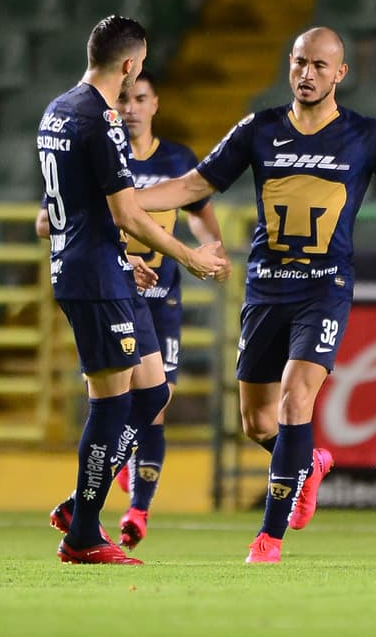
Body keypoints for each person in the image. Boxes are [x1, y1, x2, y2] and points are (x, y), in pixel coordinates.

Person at [136, 26, 376, 564]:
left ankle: (268, 538)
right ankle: (309, 463)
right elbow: (195, 185)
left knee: (298, 400)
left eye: (319, 65)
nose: (306, 74)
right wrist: (127, 199)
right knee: (257, 422)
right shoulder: (259, 129)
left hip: (325, 289)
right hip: (265, 290)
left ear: (340, 73)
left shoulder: (365, 135)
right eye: (299, 62)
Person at [36, 15, 227, 565]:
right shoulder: (101, 120)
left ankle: (81, 502)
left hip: (104, 268)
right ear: (129, 65)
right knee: (111, 403)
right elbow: (126, 210)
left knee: (152, 393)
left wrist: (121, 259)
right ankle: (84, 537)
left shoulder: (57, 110)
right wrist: (189, 256)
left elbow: (74, 205)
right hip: (93, 277)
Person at [109, 74, 225, 550]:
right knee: (116, 402)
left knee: (156, 402)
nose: (132, 108)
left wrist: (211, 247)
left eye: (140, 99)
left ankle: (138, 510)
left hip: (164, 300)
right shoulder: (103, 154)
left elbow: (198, 208)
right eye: (123, 99)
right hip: (115, 295)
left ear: (155, 103)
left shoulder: (177, 159)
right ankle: (118, 457)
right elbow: (49, 219)